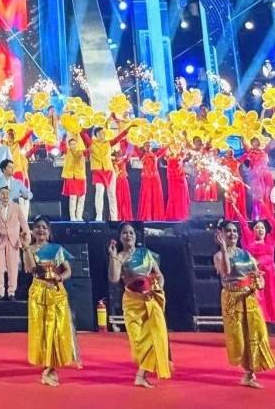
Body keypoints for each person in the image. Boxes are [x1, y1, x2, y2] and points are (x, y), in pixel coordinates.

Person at [107, 222, 170, 387]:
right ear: (120, 237)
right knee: (138, 340)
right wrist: (113, 256)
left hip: (150, 300)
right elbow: (114, 278)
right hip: (132, 302)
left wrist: (158, 288)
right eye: (125, 233)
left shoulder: (146, 253)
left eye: (131, 233)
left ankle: (141, 375)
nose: (128, 235)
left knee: (154, 336)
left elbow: (159, 275)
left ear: (135, 237)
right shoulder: (119, 257)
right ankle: (142, 372)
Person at [213, 220, 275, 388]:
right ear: (221, 235)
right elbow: (225, 271)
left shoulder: (246, 254)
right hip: (232, 298)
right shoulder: (219, 256)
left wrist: (260, 281)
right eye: (228, 232)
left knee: (256, 332)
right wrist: (224, 249)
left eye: (234, 231)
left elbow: (256, 272)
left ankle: (250, 373)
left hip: (249, 296)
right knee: (238, 336)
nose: (232, 234)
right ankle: (247, 371)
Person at [21, 216, 78, 386]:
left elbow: (68, 270)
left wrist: (60, 277)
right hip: (38, 292)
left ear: (49, 231)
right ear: (33, 230)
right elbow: (30, 269)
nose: (41, 230)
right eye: (38, 227)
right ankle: (47, 367)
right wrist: (25, 248)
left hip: (56, 292)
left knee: (56, 329)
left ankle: (50, 368)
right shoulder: (29, 249)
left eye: (44, 227)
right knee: (42, 331)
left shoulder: (57, 249)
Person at [238, 213, 275, 350]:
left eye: (263, 228)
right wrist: (234, 207)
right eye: (257, 228)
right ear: (253, 231)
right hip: (255, 279)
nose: (260, 230)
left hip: (271, 279)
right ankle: (255, 341)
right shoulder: (249, 241)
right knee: (256, 309)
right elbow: (243, 224)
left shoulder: (270, 241)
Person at [0, 182, 29, 300]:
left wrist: (26, 237)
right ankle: (0, 293)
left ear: (10, 195)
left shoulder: (16, 207)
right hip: (0, 241)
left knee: (13, 267)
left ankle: (11, 292)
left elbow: (23, 223)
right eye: (2, 194)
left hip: (14, 241)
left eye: (7, 193)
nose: (5, 196)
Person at [61, 131, 87, 221]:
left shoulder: (81, 152)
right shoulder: (67, 151)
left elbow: (87, 152)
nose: (73, 146)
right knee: (72, 198)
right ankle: (72, 217)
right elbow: (62, 147)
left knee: (81, 198)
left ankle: (79, 216)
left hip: (81, 176)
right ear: (69, 145)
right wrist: (64, 138)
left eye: (74, 144)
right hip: (71, 177)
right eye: (71, 144)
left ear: (77, 144)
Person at [135, 145, 167, 221]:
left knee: (156, 197)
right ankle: (147, 216)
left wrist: (168, 143)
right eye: (146, 145)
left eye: (149, 145)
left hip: (155, 178)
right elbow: (134, 147)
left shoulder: (155, 154)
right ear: (144, 147)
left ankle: (156, 217)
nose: (148, 146)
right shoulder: (141, 154)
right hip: (146, 178)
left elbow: (163, 149)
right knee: (147, 197)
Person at [164, 147, 190, 221]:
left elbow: (188, 148)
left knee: (182, 198)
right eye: (173, 146)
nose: (175, 148)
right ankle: (173, 216)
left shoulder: (180, 155)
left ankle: (182, 217)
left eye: (176, 146)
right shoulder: (169, 157)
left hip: (181, 180)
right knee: (173, 198)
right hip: (173, 181)